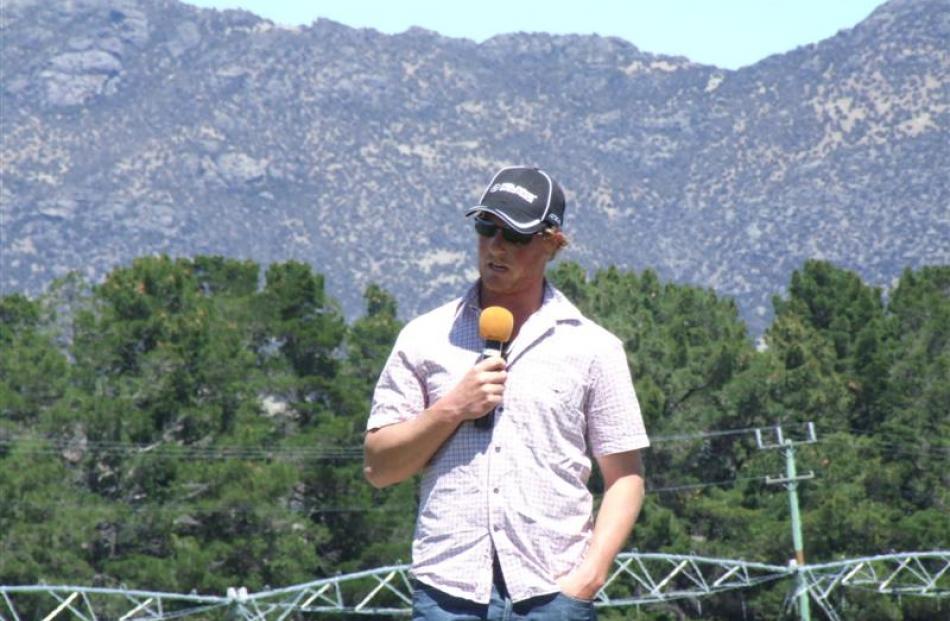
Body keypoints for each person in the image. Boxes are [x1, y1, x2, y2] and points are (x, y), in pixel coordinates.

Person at [363, 166, 649, 620]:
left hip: (553, 593)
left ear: (552, 243)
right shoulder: (424, 337)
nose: (495, 246)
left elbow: (626, 477)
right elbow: (379, 467)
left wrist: (588, 578)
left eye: (514, 235)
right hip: (447, 594)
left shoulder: (594, 348)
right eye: (485, 227)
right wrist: (453, 408)